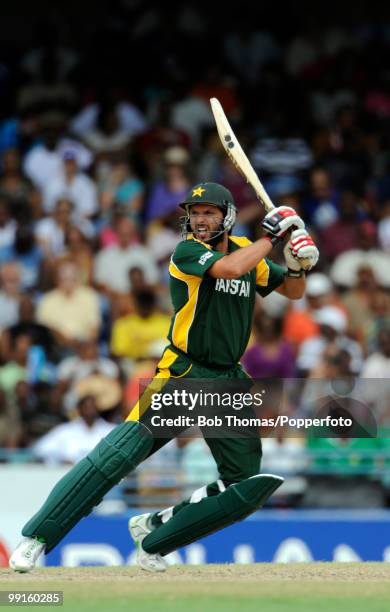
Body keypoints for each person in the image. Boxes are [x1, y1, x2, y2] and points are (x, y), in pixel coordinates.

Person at [9, 182, 319, 573]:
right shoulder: (188, 252)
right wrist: (274, 235)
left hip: (226, 380)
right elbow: (229, 268)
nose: (201, 219)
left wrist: (298, 262)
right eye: (196, 212)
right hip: (183, 372)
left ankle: (155, 533)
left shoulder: (247, 250)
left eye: (210, 212)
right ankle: (36, 539)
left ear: (228, 216)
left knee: (243, 486)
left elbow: (292, 291)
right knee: (118, 457)